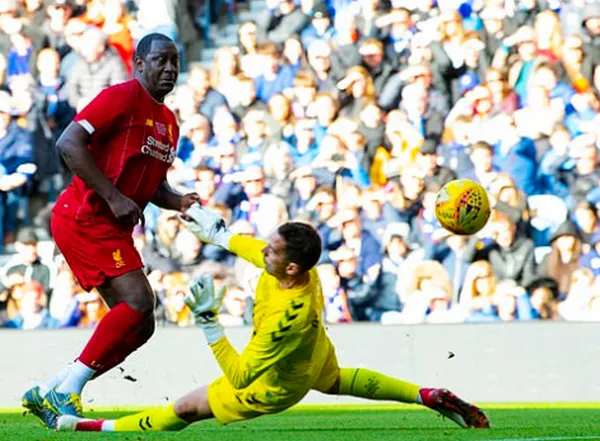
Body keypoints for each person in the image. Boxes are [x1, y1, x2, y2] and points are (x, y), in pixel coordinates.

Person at [56, 205, 490, 432]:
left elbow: (243, 375)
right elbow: (254, 250)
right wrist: (219, 234)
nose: (263, 249)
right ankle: (427, 395)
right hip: (315, 353)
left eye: (272, 251)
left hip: (277, 383)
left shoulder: (288, 317)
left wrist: (209, 321)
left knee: (187, 408)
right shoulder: (300, 267)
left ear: (290, 270)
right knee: (339, 380)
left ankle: (89, 427)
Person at [21, 33, 200, 429]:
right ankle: (68, 390)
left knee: (143, 322)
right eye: (160, 60)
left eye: (175, 61)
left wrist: (179, 201)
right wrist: (113, 196)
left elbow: (153, 185)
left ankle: (54, 387)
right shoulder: (120, 97)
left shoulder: (169, 124)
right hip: (83, 216)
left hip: (110, 226)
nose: (169, 68)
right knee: (138, 300)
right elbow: (69, 143)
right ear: (138, 64)